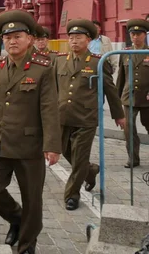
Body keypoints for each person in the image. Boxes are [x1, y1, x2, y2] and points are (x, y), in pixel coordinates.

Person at [0, 9, 61, 254]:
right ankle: (17, 219)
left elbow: (49, 108)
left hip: (29, 145)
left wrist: (52, 145)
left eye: (17, 36)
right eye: (7, 37)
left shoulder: (42, 68)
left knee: (32, 200)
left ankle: (27, 245)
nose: (12, 41)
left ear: (30, 39)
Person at [54, 19, 125, 211]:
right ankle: (91, 171)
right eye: (71, 38)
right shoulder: (59, 60)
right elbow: (51, 89)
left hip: (86, 118)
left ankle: (72, 195)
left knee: (79, 158)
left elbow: (110, 90)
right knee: (67, 153)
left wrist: (119, 115)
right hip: (63, 117)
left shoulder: (96, 62)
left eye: (78, 37)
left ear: (88, 40)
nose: (74, 41)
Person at [116, 18, 149, 168]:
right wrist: (116, 101)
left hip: (147, 97)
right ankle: (133, 158)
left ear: (145, 35)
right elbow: (121, 78)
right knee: (129, 130)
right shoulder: (125, 53)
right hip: (129, 97)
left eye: (138, 34)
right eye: (133, 34)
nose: (135, 37)